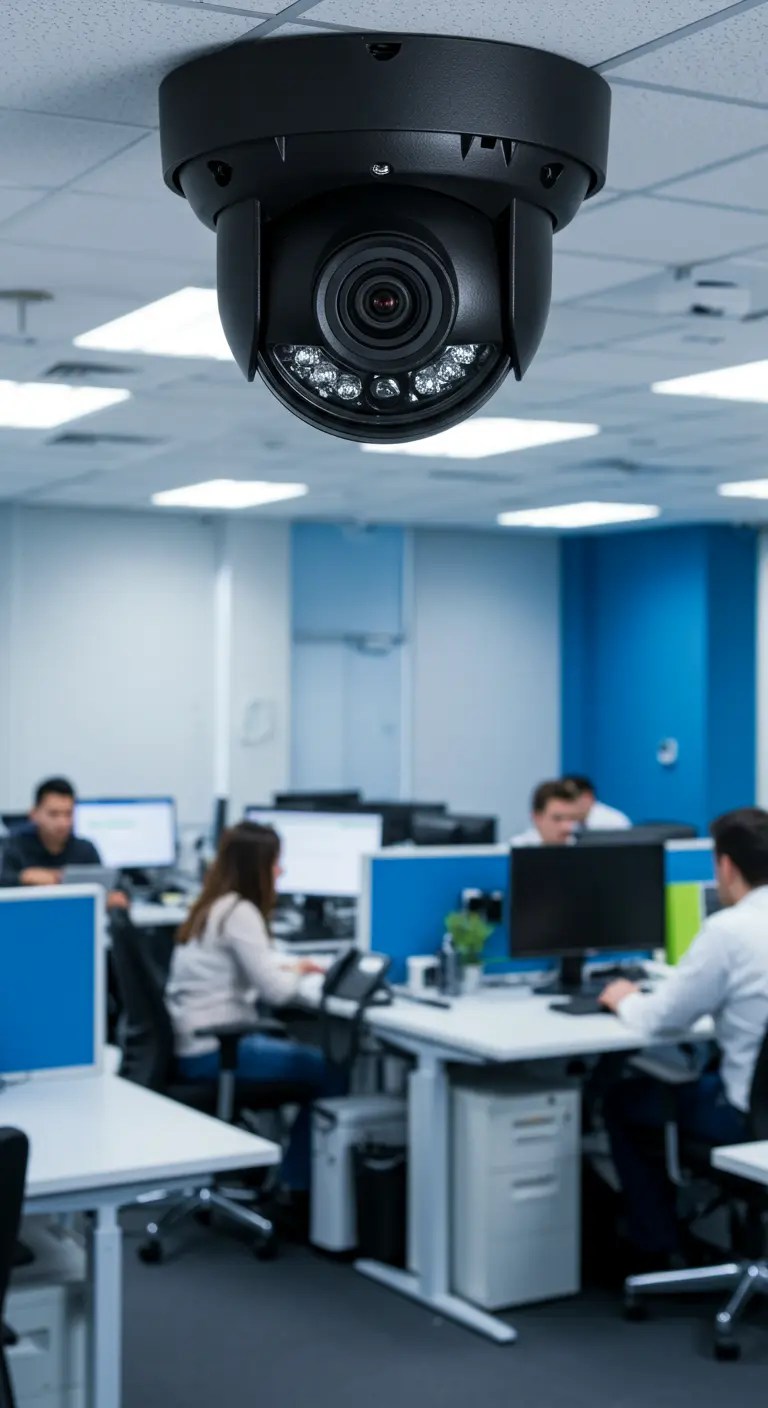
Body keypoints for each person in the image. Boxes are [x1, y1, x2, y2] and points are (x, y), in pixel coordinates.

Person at [600, 807, 768, 1267]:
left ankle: (656, 1245)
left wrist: (622, 998)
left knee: (621, 1102)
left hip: (747, 1119)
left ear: (726, 866)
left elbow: (659, 1020)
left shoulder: (729, 931)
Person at [166, 821, 335, 1197]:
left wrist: (292, 965)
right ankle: (297, 1187)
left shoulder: (214, 905)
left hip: (193, 1042)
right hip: (214, 1051)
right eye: (276, 862)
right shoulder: (241, 912)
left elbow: (254, 962)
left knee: (303, 1055)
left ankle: (286, 1173)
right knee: (330, 1070)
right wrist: (298, 976)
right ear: (258, 866)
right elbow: (275, 993)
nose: (281, 871)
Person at [0, 776, 128, 909]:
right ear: (34, 814)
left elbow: (112, 885)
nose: (62, 823)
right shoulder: (15, 847)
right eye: (54, 814)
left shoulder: (85, 849)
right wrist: (23, 877)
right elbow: (4, 882)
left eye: (68, 814)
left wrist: (113, 897)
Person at [511, 780, 579, 846]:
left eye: (571, 818)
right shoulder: (512, 851)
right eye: (558, 818)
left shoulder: (580, 848)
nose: (566, 827)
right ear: (537, 818)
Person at [562, 774, 631, 831]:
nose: (565, 804)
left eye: (569, 798)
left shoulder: (613, 822)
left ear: (587, 797)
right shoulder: (569, 823)